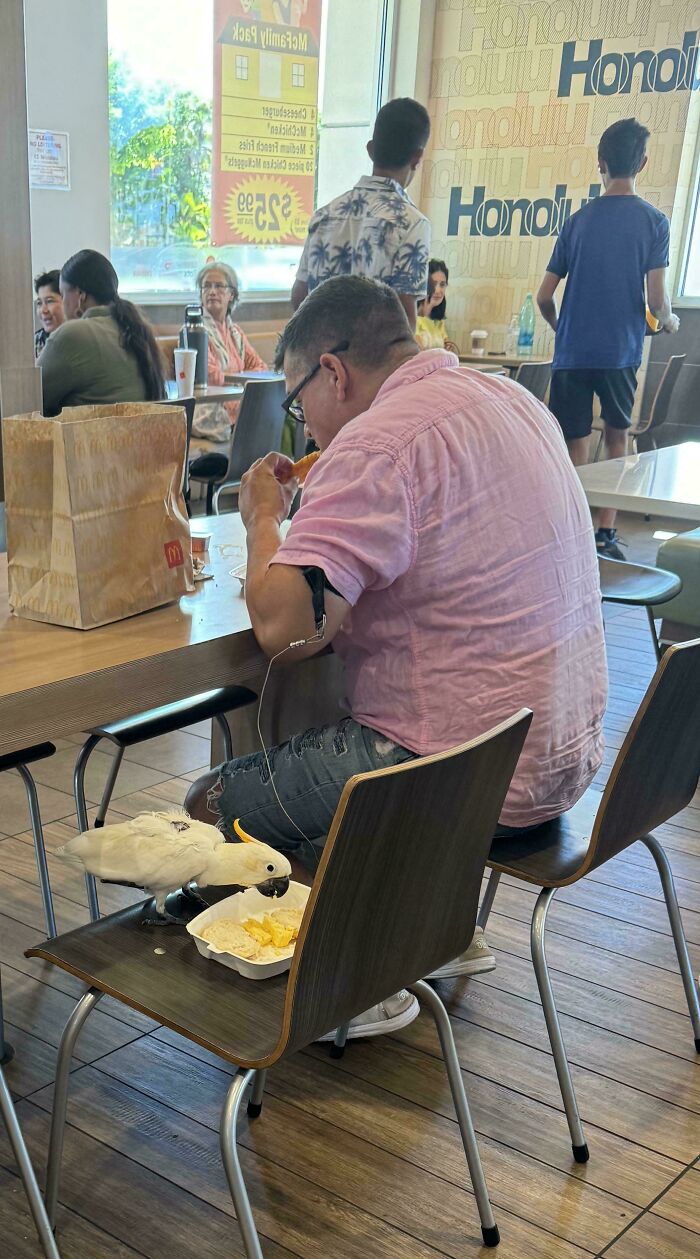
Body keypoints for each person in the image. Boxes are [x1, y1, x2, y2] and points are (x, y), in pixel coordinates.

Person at [186, 275, 607, 1041]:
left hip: (457, 786)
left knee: (212, 803)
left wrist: (261, 520)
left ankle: (360, 976)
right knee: (322, 734)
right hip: (556, 763)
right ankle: (429, 923)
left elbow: (285, 628)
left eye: (296, 399)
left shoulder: (376, 441)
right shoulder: (513, 402)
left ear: (334, 373)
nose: (303, 424)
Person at [537, 118, 679, 560]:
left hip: (572, 353)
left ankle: (577, 530)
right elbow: (656, 303)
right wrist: (670, 320)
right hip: (620, 351)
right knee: (617, 442)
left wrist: (565, 332)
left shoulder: (577, 222)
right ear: (643, 163)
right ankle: (605, 533)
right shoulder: (654, 222)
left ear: (600, 162)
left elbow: (543, 296)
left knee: (575, 441)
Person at [291, 98, 431, 329]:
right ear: (417, 157)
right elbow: (404, 317)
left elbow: (299, 296)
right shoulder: (412, 224)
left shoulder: (324, 215)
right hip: (375, 362)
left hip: (320, 359)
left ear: (370, 149)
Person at [38, 250, 164, 415]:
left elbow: (27, 398)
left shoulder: (72, 335)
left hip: (91, 439)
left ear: (80, 295)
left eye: (63, 294)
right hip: (136, 438)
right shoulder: (136, 328)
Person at [192, 260, 267, 445]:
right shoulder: (195, 332)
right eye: (206, 286)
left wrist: (235, 377)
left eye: (218, 286)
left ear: (231, 294)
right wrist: (242, 378)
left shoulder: (236, 333)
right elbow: (209, 376)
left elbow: (261, 367)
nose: (212, 291)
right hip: (211, 407)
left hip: (238, 402)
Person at [415, 259, 459, 351]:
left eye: (442, 285)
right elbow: (419, 355)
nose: (438, 290)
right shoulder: (411, 319)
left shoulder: (438, 322)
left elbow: (448, 350)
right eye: (433, 284)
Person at [33, 269, 65, 357]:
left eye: (50, 301)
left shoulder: (82, 338)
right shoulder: (35, 342)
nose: (43, 310)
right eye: (39, 303)